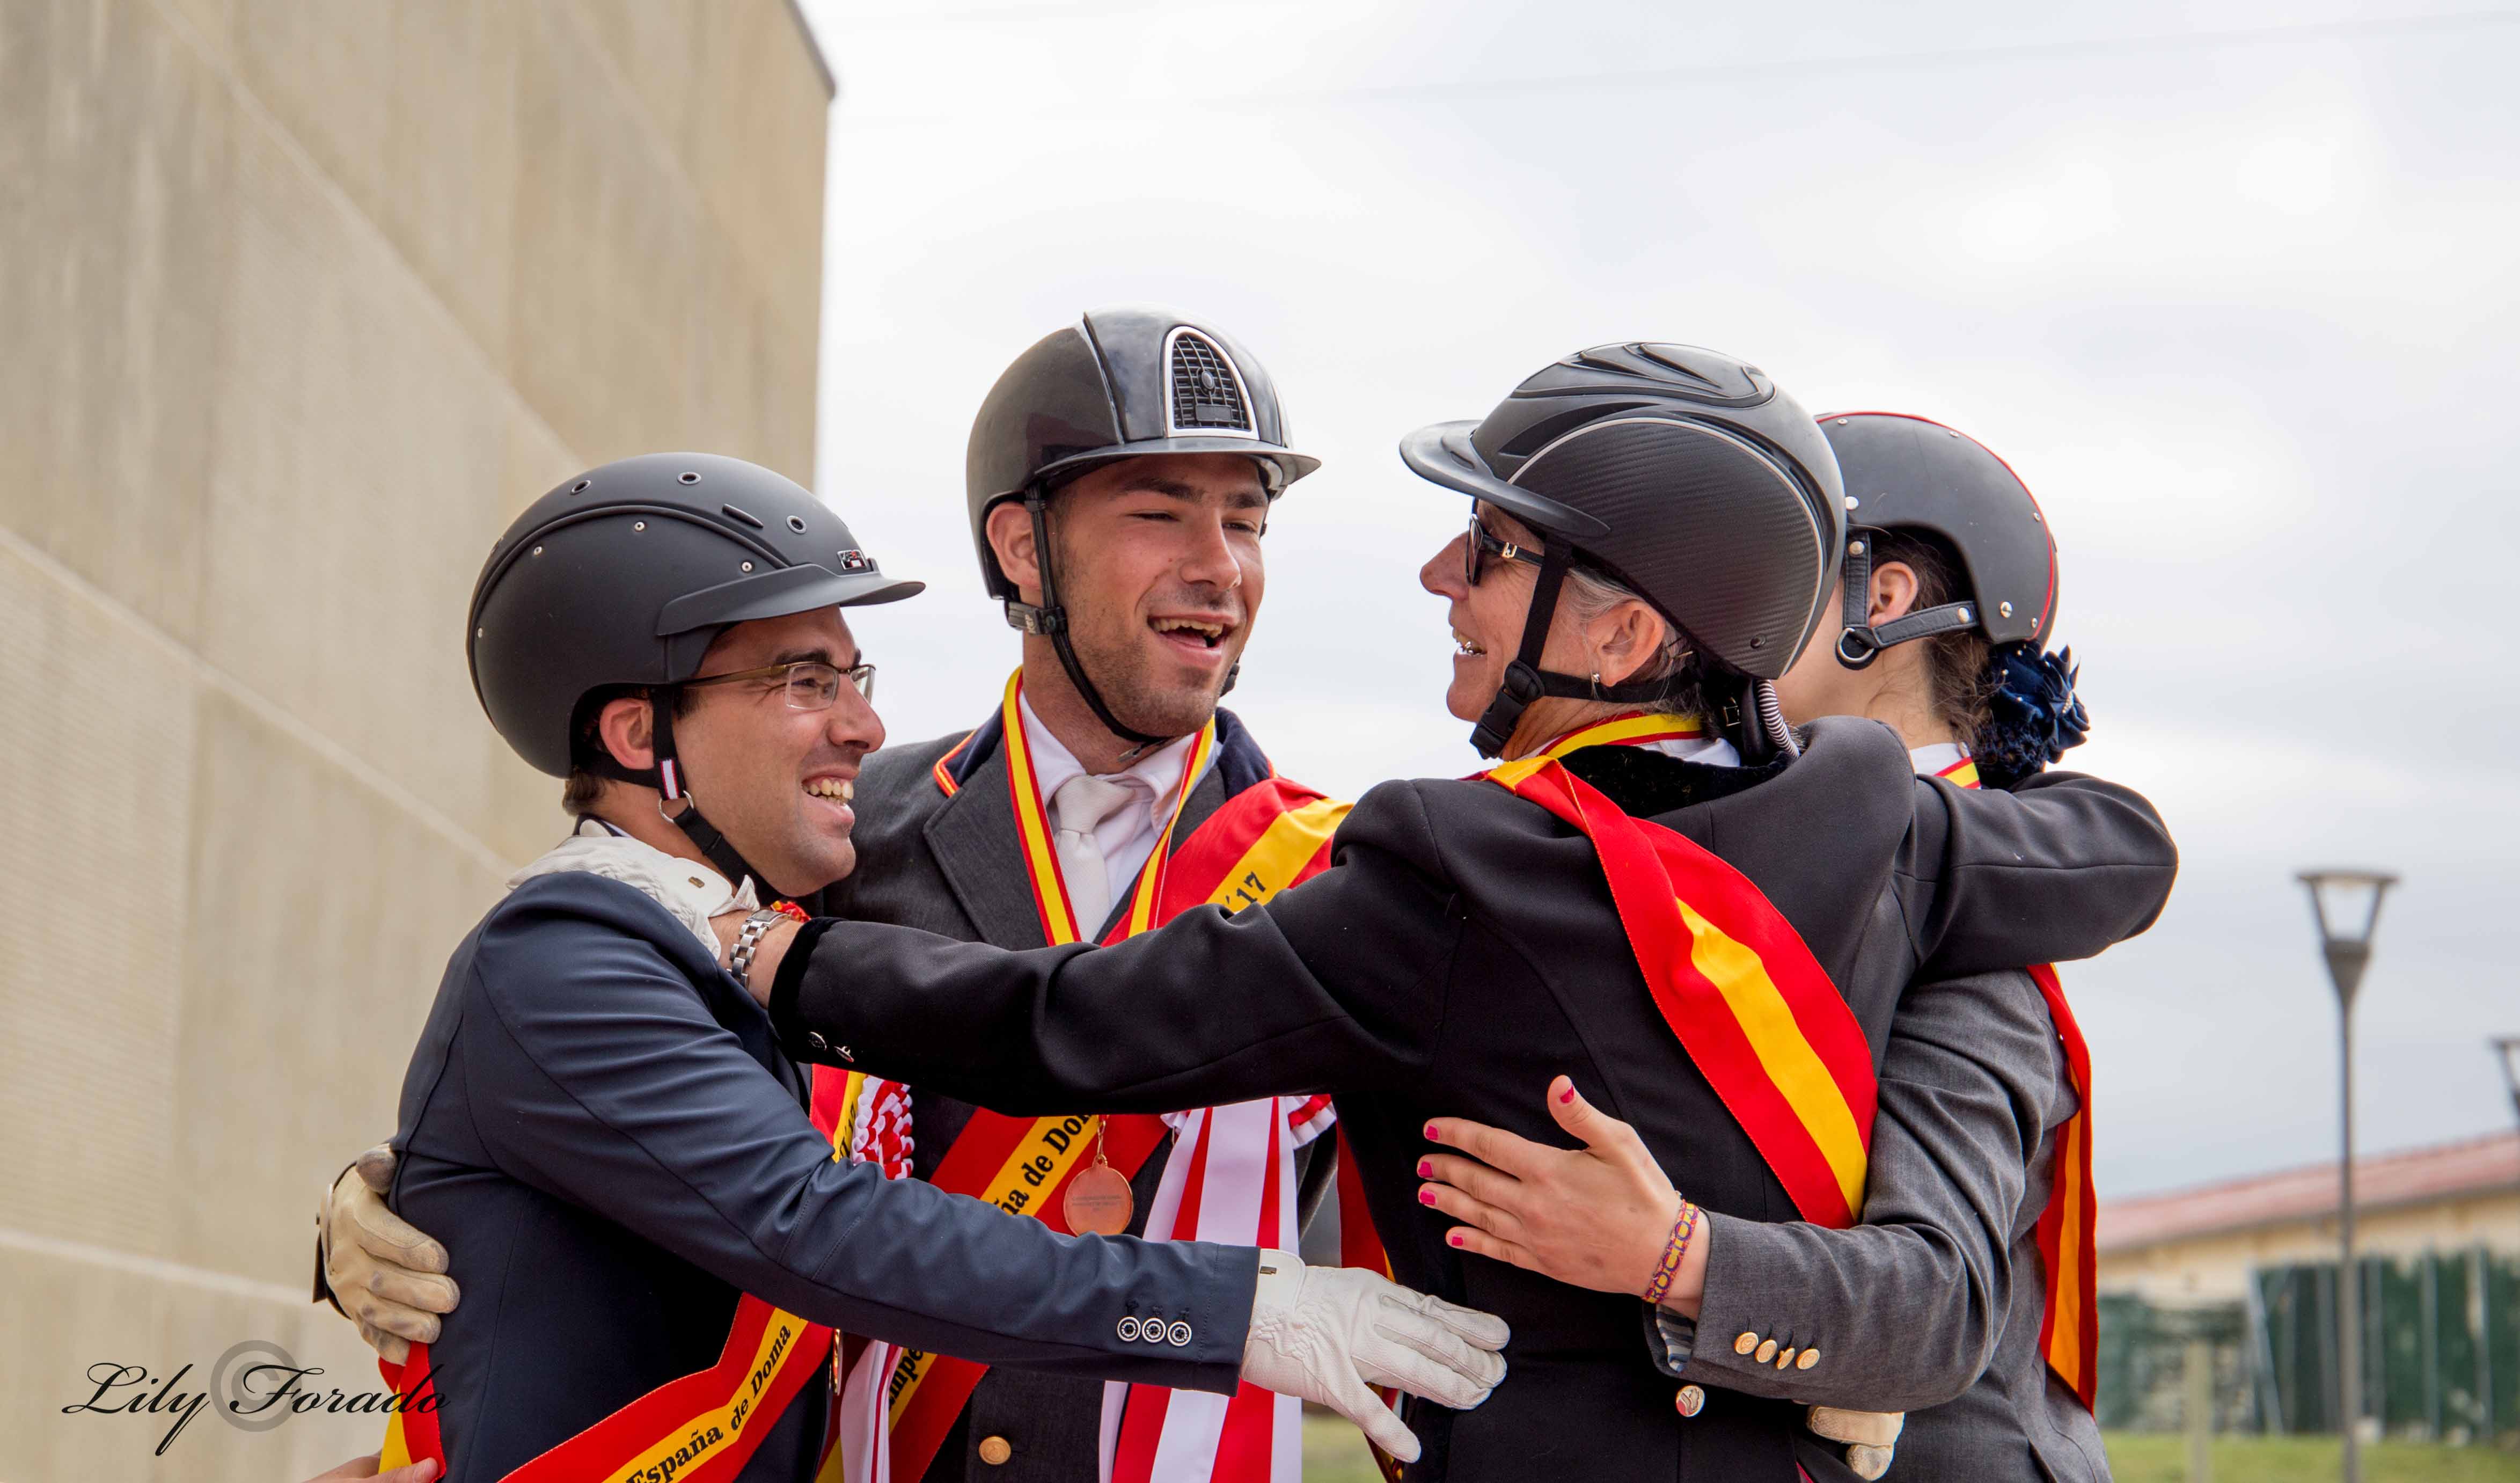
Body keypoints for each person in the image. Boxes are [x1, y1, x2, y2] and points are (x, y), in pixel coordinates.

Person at [714, 345, 2180, 1481]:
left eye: (1489, 549)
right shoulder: (1872, 814)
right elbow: (2121, 847)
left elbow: (1073, 1023)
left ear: (1620, 631)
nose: (1439, 577)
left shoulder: (1442, 857)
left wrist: (778, 956)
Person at [319, 309, 1368, 1483]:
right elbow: (616, 1076)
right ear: (1023, 550)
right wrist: (390, 1196)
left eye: (1245, 519)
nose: (1218, 565)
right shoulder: (825, 835)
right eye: (1160, 510)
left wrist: (1631, 1253)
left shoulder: (1341, 877)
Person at [1419, 410, 2114, 1480]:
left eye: (1772, 568)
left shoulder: (1954, 911)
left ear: (1877, 604)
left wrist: (1673, 1255)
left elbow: (1933, 1297)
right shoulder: (1759, 846)